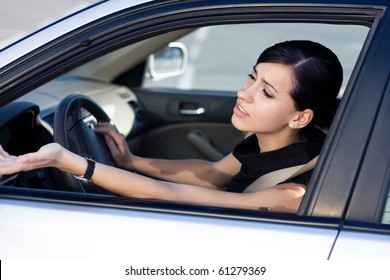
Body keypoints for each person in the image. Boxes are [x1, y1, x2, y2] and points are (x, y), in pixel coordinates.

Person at [0, 40, 343, 213]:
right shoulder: (271, 139)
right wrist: (131, 161)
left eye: (266, 93)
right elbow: (212, 174)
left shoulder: (291, 194)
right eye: (251, 77)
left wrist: (65, 160)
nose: (244, 93)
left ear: (300, 116)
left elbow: (174, 195)